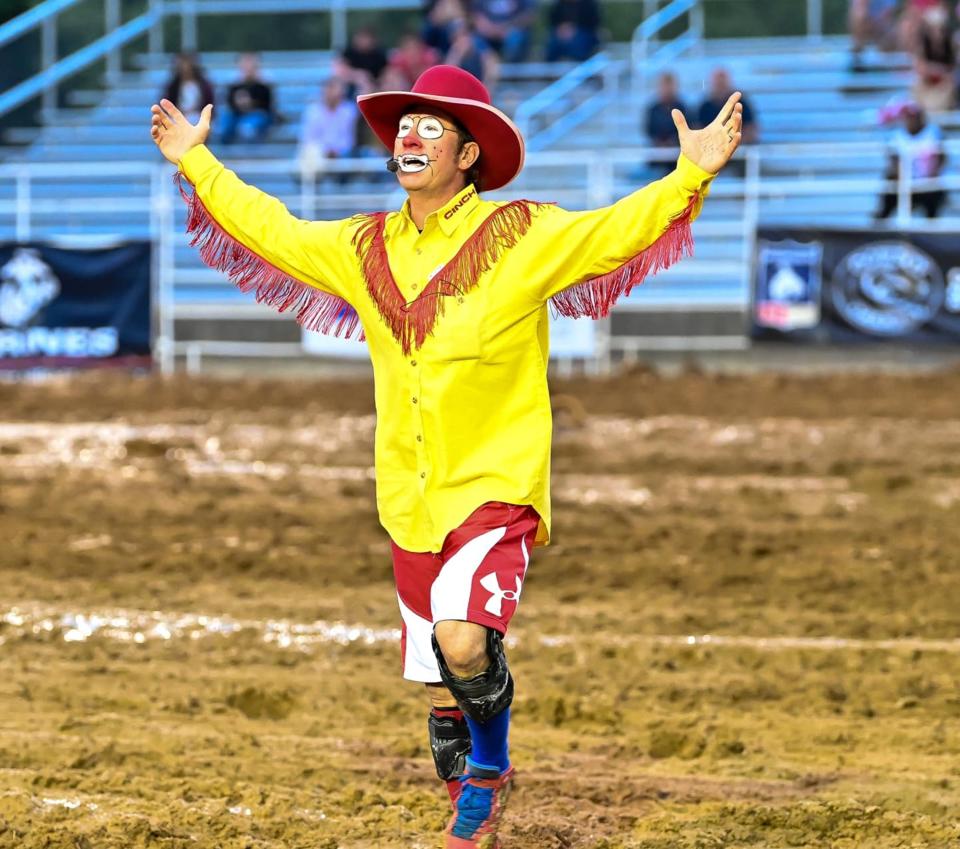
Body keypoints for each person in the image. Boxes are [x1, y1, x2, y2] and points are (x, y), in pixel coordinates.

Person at [150, 64, 742, 848]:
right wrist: (197, 160)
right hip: (408, 493)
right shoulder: (363, 245)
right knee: (440, 669)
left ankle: (488, 775)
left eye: (432, 125)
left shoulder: (522, 234)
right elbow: (277, 231)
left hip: (497, 484)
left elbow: (614, 230)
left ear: (469, 156)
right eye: (405, 124)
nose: (410, 134)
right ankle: (446, 707)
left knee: (462, 638)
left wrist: (688, 174)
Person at [876, 101, 947, 219]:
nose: (911, 120)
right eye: (908, 117)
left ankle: (932, 225)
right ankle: (880, 222)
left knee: (934, 192)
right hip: (905, 181)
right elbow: (894, 162)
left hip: (928, 182)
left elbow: (942, 159)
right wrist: (905, 180)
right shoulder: (896, 136)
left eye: (914, 116)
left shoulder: (934, 133)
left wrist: (928, 178)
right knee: (888, 183)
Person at [297, 78, 360, 181]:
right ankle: (311, 186)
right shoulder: (312, 111)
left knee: (348, 157)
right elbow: (308, 138)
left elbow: (349, 138)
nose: (330, 92)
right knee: (310, 155)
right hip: (319, 152)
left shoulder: (349, 111)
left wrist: (335, 151)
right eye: (328, 88)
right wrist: (326, 150)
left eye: (334, 88)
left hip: (343, 152)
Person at [911, 2, 956, 112]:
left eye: (940, 29)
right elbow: (921, 68)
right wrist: (939, 70)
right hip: (929, 85)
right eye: (934, 29)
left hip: (944, 87)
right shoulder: (923, 47)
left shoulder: (951, 45)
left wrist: (934, 70)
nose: (938, 33)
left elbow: (951, 70)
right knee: (918, 85)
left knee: (949, 85)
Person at [220, 53, 274, 145]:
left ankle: (250, 155)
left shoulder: (263, 85)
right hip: (237, 115)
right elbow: (230, 105)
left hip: (258, 115)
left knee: (247, 128)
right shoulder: (235, 85)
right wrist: (239, 105)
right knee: (225, 125)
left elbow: (266, 107)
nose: (248, 67)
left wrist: (250, 104)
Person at [698, 67, 758, 144]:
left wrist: (734, 142)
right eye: (718, 83)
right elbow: (698, 131)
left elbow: (751, 129)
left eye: (723, 83)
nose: (721, 86)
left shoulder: (741, 103)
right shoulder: (704, 107)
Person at [645, 71, 688, 175]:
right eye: (665, 85)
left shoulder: (682, 107)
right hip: (657, 156)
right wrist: (660, 143)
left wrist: (673, 141)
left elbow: (687, 128)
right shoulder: (653, 109)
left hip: (677, 156)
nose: (667, 89)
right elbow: (649, 130)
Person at [470, 0, 536, 63]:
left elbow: (528, 15)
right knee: (474, 40)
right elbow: (476, 16)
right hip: (487, 33)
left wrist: (506, 27)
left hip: (511, 30)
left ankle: (511, 69)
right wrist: (492, 29)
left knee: (516, 37)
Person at [162, 52, 215, 124]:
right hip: (178, 115)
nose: (185, 70)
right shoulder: (173, 86)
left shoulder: (203, 85)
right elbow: (166, 103)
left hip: (197, 115)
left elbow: (209, 103)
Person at [445, 17, 499, 87]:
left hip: (479, 88)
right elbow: (447, 75)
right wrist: (458, 55)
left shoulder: (478, 44)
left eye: (464, 34)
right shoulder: (454, 50)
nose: (462, 39)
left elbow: (491, 65)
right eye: (456, 37)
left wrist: (486, 88)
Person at [336, 27, 389, 96]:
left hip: (376, 85)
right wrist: (358, 75)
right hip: (352, 85)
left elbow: (387, 71)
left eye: (366, 38)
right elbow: (340, 69)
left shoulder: (379, 54)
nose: (364, 41)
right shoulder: (349, 52)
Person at [848, 0, 899, 70]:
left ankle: (885, 65)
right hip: (868, 26)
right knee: (860, 15)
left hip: (882, 29)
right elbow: (859, 10)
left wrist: (875, 23)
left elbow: (888, 14)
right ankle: (858, 54)